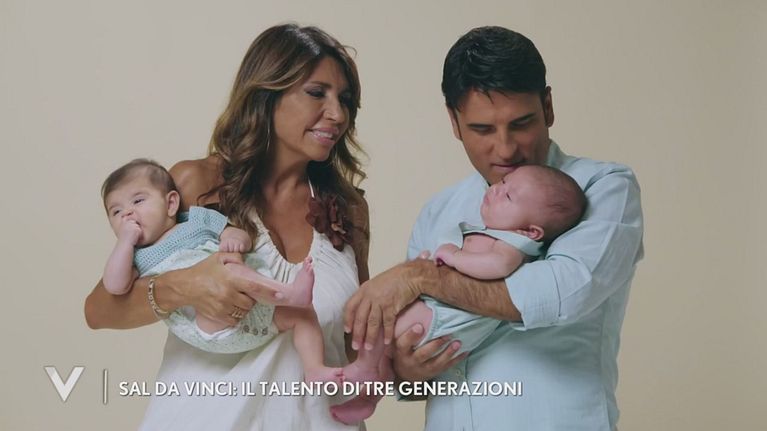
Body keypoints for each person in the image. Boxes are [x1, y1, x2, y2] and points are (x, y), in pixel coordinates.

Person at [343, 26, 644, 431]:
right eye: (482, 129)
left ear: (548, 107)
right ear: (454, 122)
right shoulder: (439, 211)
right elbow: (411, 377)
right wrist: (408, 372)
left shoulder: (603, 187)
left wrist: (420, 276)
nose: (505, 149)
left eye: (521, 123)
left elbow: (561, 291)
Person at [84, 23, 369, 430]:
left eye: (344, 99)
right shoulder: (195, 183)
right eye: (316, 93)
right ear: (267, 94)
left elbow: (353, 345)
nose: (337, 114)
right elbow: (99, 310)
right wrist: (184, 286)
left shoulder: (347, 209)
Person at [331, 164, 586, 425]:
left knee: (384, 331)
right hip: (434, 310)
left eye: (509, 196)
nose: (497, 190)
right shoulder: (474, 224)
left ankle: (362, 372)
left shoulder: (513, 244)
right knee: (386, 344)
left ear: (530, 231)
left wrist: (454, 257)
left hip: (444, 318)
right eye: (503, 182)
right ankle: (368, 395)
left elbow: (496, 266)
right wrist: (426, 263)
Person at [100, 158, 344, 383]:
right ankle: (287, 293)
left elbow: (235, 233)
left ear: (171, 203)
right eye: (116, 211)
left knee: (303, 315)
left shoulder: (197, 219)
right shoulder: (134, 256)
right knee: (226, 267)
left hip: (256, 317)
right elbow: (115, 286)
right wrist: (125, 243)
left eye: (138, 201)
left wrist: (234, 240)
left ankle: (314, 369)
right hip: (208, 322)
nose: (127, 213)